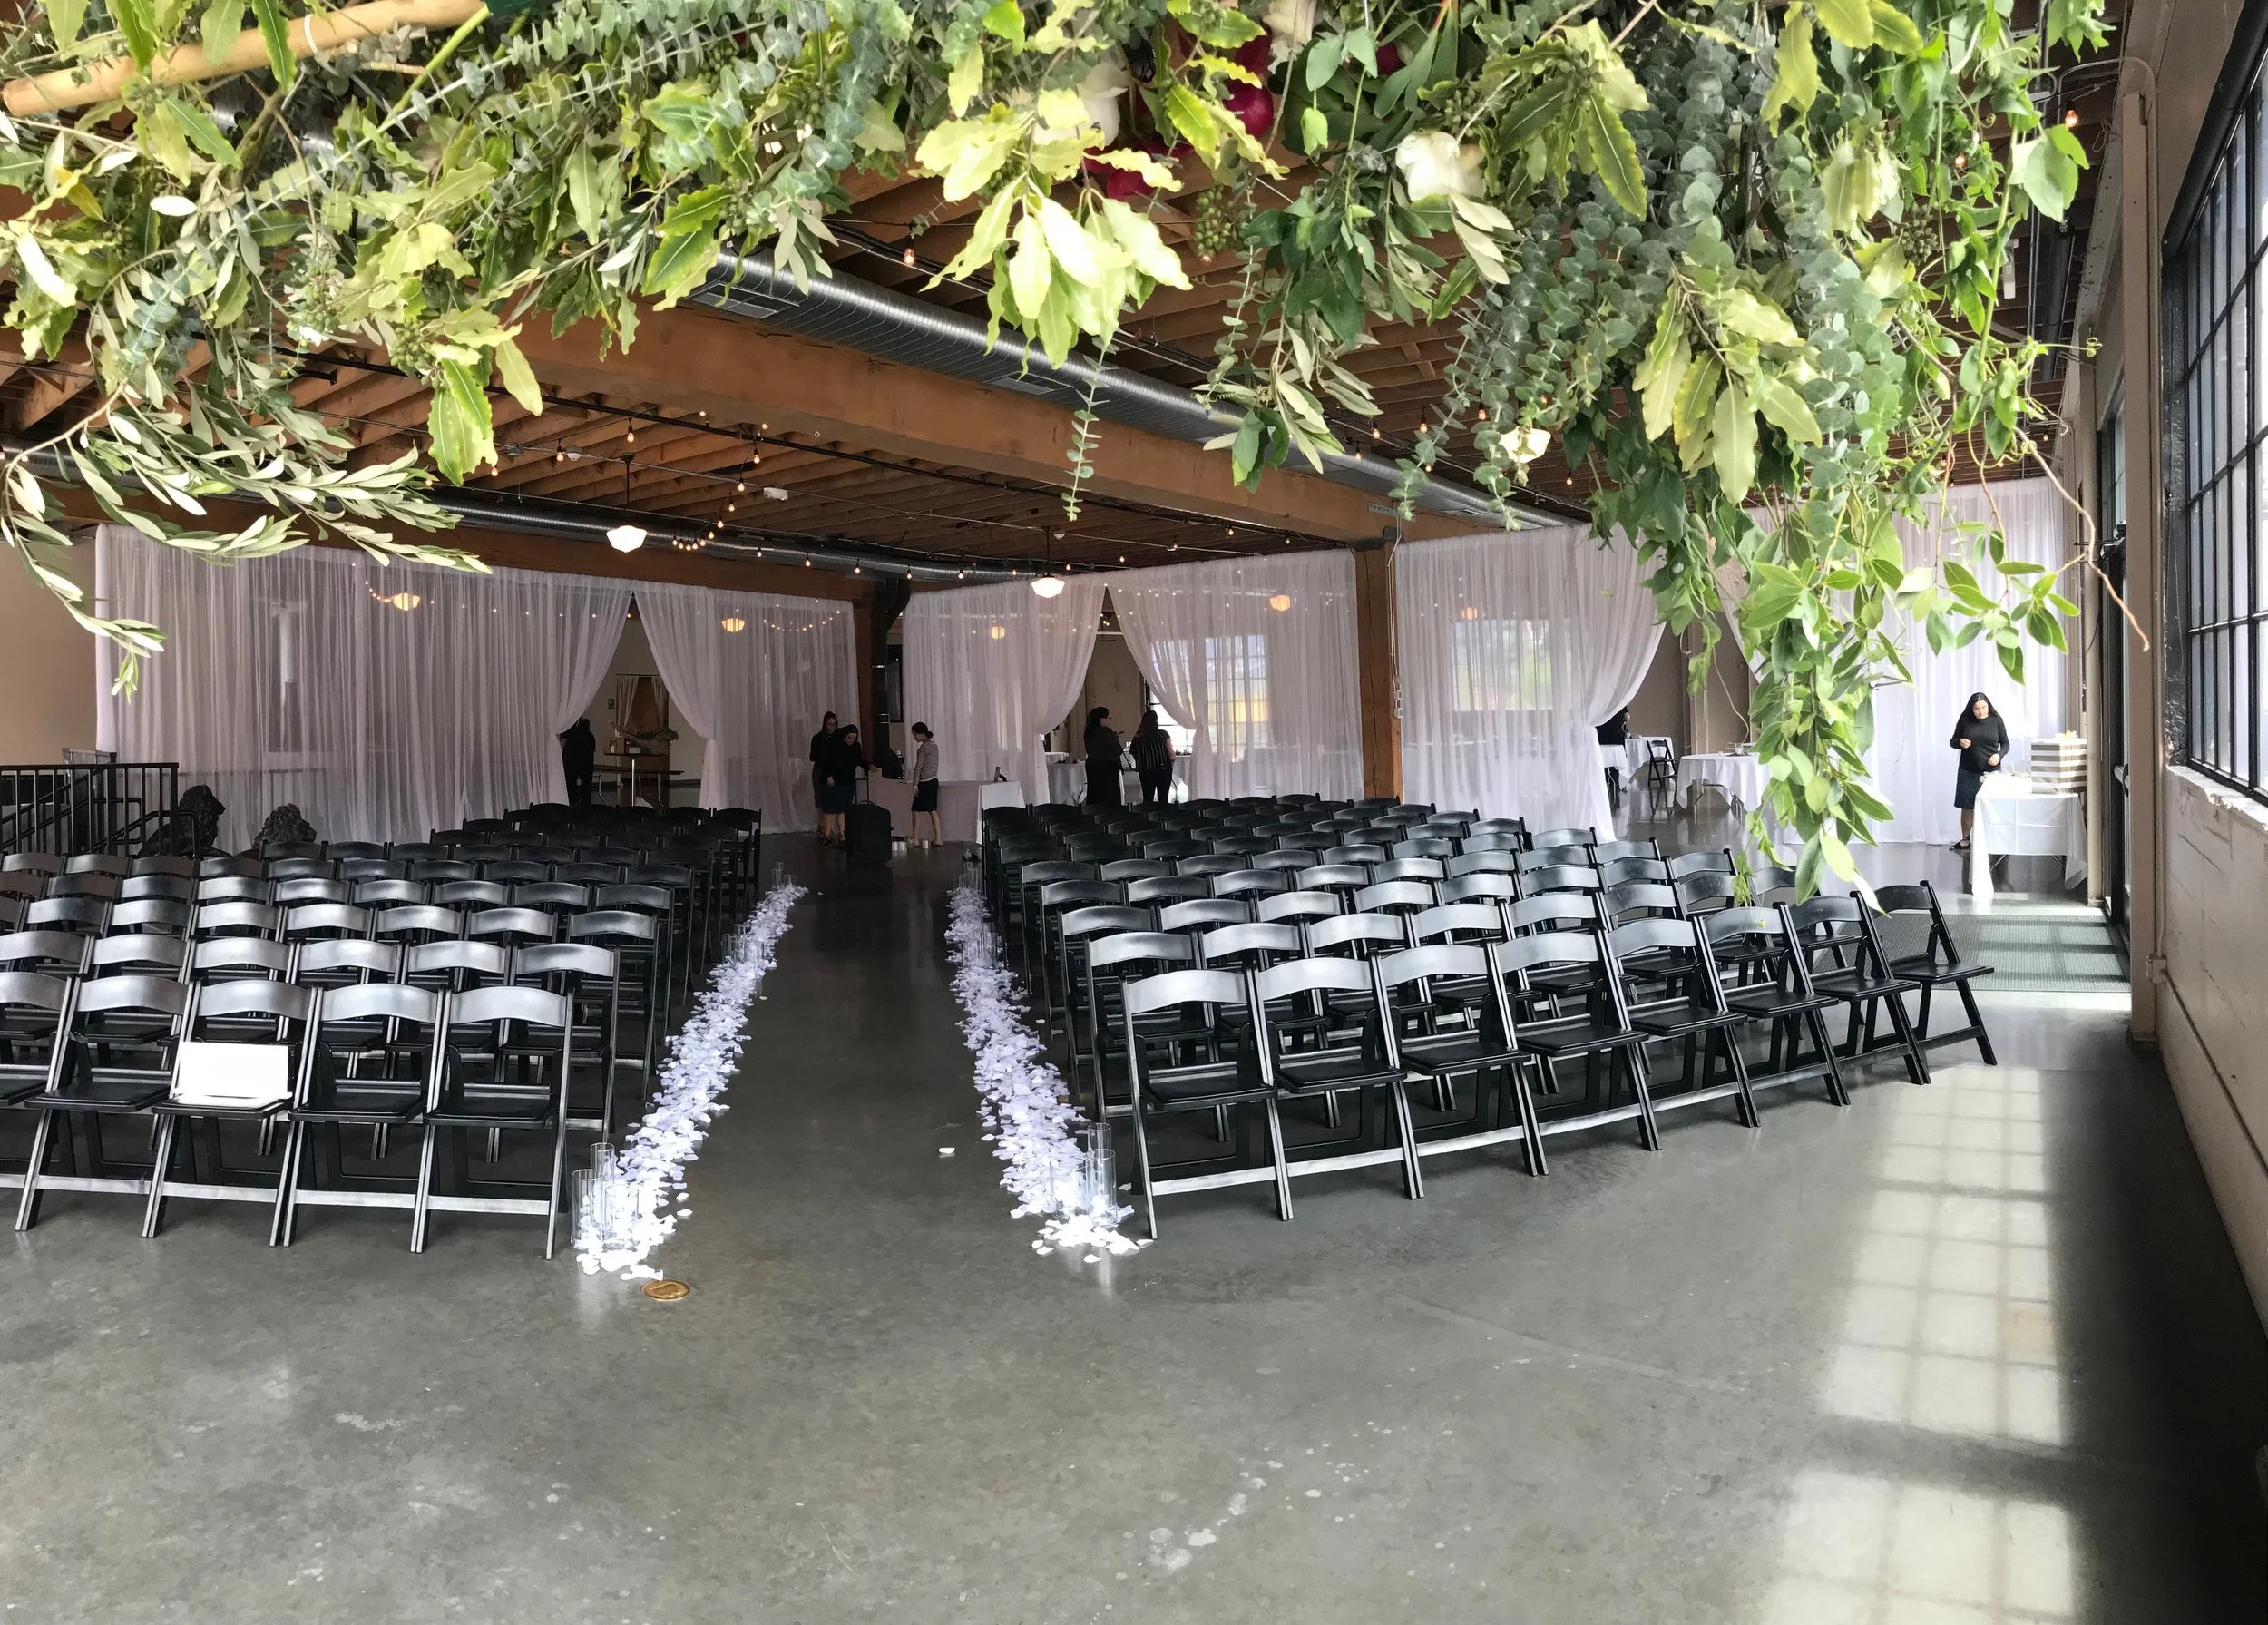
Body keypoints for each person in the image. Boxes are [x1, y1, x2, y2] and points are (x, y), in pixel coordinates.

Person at [1950, 691, 2008, 852]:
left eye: (1984, 708)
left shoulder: (1996, 721)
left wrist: (1999, 755)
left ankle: (1994, 839)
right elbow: (1952, 741)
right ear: (1971, 709)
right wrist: (1960, 742)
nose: (1981, 712)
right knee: (1967, 806)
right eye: (1977, 709)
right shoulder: (1965, 720)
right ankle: (1965, 839)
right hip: (1967, 771)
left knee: (1993, 806)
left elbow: (2006, 744)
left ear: (1988, 706)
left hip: (1991, 772)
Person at [818, 722, 865, 844]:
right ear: (844, 736)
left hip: (847, 781)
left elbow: (859, 760)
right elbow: (824, 761)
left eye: (854, 738)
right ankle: (827, 835)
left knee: (843, 809)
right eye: (849, 737)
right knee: (829, 809)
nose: (851, 740)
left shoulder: (856, 746)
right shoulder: (834, 745)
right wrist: (828, 775)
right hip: (832, 781)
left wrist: (868, 766)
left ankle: (842, 834)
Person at [1129, 710, 1174, 806]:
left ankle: (1148, 814)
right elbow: (1172, 755)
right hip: (1162, 770)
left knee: (1147, 799)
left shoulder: (1138, 737)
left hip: (1145, 772)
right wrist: (1170, 766)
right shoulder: (1163, 734)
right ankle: (1163, 814)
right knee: (1163, 798)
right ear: (1156, 721)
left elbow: (1133, 752)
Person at [908, 722, 942, 847]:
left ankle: (915, 839)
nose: (914, 737)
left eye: (915, 734)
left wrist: (915, 784)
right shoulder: (934, 746)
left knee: (915, 810)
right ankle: (939, 838)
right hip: (933, 781)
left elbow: (918, 767)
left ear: (921, 734)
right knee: (932, 810)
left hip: (924, 782)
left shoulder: (923, 748)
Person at [1082, 706, 1122, 808]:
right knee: (1110, 798)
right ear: (1102, 719)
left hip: (1092, 766)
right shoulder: (1107, 732)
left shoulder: (1088, 732)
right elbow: (1118, 750)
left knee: (1094, 794)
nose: (1110, 720)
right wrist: (1115, 739)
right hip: (1108, 768)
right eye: (1109, 718)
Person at [559, 717, 598, 807]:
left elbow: (562, 745)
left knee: (571, 782)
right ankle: (585, 803)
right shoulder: (590, 735)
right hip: (587, 763)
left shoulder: (570, 732)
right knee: (586, 784)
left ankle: (570, 803)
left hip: (572, 762)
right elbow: (594, 750)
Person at [809, 710, 840, 817]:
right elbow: (813, 757)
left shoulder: (839, 737)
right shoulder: (818, 738)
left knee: (834, 799)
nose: (832, 726)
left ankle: (831, 824)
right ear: (825, 724)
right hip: (820, 769)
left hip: (835, 770)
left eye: (834, 724)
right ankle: (822, 824)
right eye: (829, 724)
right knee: (820, 799)